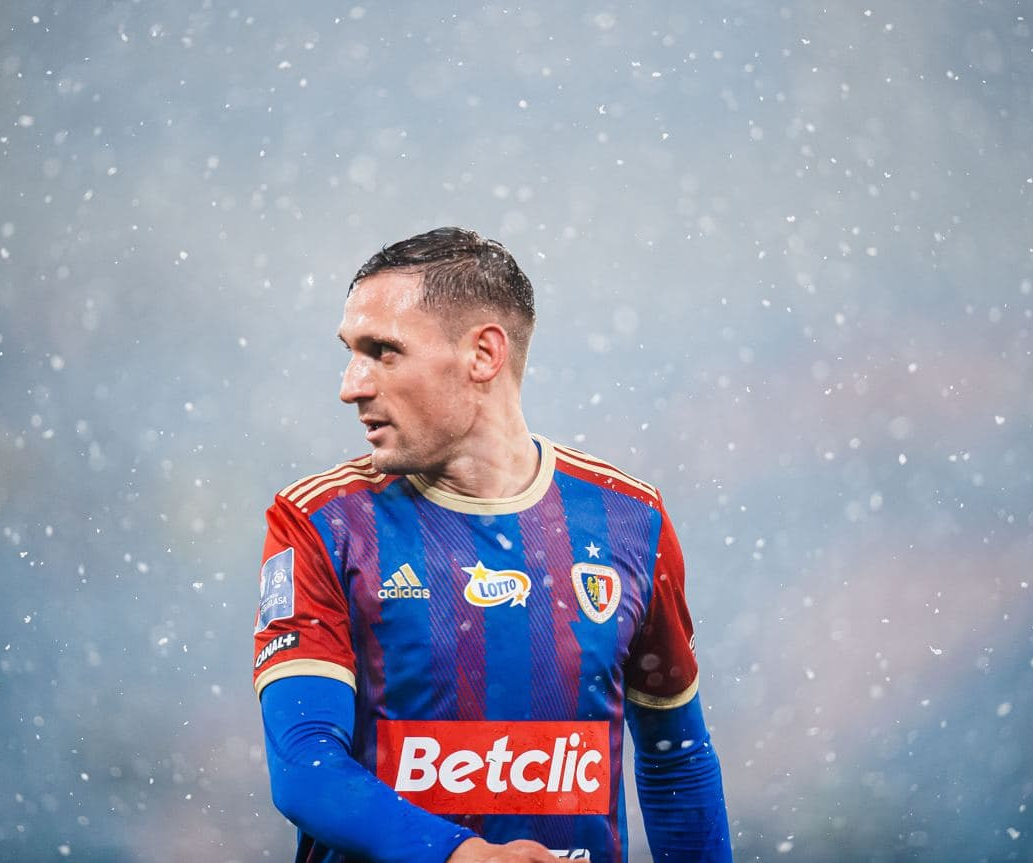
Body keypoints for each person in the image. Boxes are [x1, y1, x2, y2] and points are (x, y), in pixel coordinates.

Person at [253, 227, 731, 863]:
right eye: (351, 353)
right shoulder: (320, 522)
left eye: (383, 352)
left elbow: (678, 762)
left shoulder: (628, 520)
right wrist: (459, 854)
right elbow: (305, 767)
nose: (352, 385)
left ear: (483, 354)